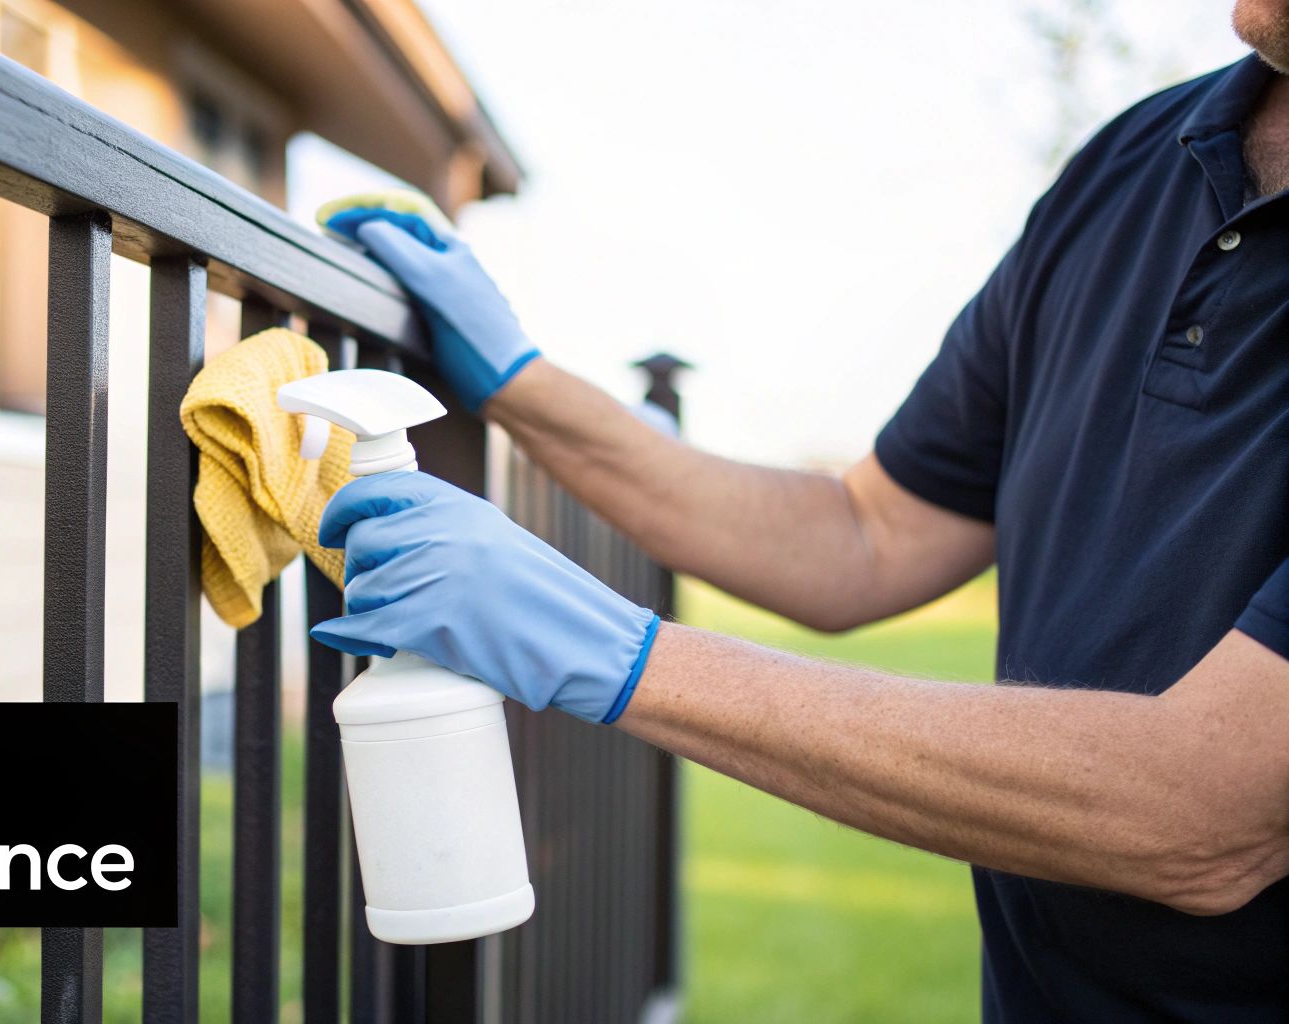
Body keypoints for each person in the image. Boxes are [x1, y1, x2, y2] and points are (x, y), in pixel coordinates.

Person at [307, 3, 1289, 1019]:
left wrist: (607, 649)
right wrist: (520, 383)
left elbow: (1207, 807)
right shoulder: (1131, 168)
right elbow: (865, 535)